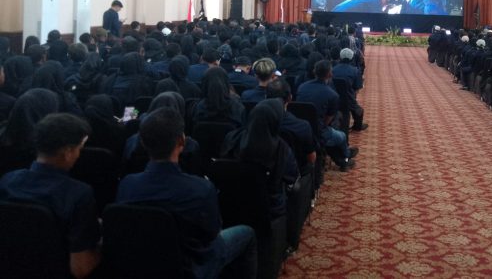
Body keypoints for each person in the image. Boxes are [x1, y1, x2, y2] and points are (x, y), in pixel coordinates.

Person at [117, 107, 257, 278]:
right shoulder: (201, 189)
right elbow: (212, 234)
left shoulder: (127, 185)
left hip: (143, 264)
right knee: (247, 233)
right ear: (181, 141)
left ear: (144, 143)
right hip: (191, 269)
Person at [0, 113, 101, 278]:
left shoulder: (7, 181)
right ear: (68, 152)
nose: (79, 154)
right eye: (79, 149)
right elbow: (81, 269)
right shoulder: (79, 194)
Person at [220, 99, 299, 218]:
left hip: (232, 205)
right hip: (270, 211)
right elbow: (292, 178)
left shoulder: (232, 138)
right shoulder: (282, 149)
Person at [296, 60, 357, 171]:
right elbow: (327, 120)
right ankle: (346, 155)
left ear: (315, 72)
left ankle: (343, 158)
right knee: (342, 136)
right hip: (318, 130)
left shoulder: (302, 87)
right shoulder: (332, 95)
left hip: (299, 127)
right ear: (330, 74)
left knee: (331, 134)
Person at [331, 47, 368, 131]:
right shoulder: (355, 71)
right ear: (352, 58)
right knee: (359, 110)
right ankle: (357, 127)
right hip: (349, 97)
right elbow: (357, 88)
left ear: (340, 57)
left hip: (333, 96)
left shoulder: (333, 69)